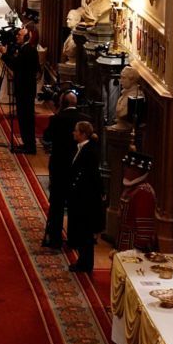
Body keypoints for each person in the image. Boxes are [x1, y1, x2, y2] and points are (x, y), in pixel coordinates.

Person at [41, 91, 90, 247]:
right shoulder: (86, 120)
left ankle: (55, 238)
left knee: (57, 203)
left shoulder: (57, 119)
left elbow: (47, 137)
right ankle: (74, 239)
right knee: (76, 204)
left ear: (62, 103)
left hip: (59, 167)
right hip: (78, 169)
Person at [67, 121, 104, 272]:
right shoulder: (83, 148)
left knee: (85, 234)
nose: (73, 133)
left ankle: (85, 264)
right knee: (81, 232)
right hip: (80, 197)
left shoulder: (89, 151)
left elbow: (92, 176)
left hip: (85, 199)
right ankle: (83, 261)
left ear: (82, 134)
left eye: (76, 131)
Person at [0, 21, 40, 154]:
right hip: (26, 88)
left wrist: (5, 55)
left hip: (25, 89)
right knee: (24, 117)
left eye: (20, 35)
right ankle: (27, 143)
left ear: (28, 36)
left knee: (25, 118)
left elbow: (16, 66)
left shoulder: (28, 50)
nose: (17, 36)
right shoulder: (27, 49)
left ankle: (29, 146)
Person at [116, 151, 157, 252]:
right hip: (125, 243)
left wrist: (137, 249)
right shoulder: (132, 188)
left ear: (138, 171)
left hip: (134, 247)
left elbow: (145, 228)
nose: (125, 169)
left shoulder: (143, 192)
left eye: (129, 167)